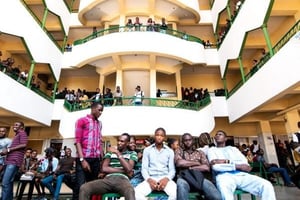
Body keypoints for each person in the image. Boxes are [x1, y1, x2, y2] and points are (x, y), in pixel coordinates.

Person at [207, 130, 276, 200]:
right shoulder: (211, 150)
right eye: (216, 135)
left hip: (241, 175)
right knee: (225, 193)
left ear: (225, 138)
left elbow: (244, 163)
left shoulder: (233, 149)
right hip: (224, 176)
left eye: (220, 134)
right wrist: (237, 166)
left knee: (266, 185)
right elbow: (216, 167)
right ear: (214, 138)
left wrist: (225, 161)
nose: (217, 135)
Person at [79, 133, 137, 200]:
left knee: (130, 190)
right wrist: (124, 171)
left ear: (127, 143)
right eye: (118, 140)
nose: (119, 143)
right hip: (108, 179)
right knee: (84, 188)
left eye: (122, 141)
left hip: (122, 180)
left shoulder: (132, 153)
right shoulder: (110, 152)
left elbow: (129, 168)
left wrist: (118, 154)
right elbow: (104, 168)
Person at [175, 133, 221, 200]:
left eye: (189, 140)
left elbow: (206, 167)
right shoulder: (179, 151)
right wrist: (197, 163)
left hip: (199, 178)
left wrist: (190, 167)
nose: (188, 142)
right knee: (181, 187)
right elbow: (179, 163)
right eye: (185, 140)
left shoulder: (200, 152)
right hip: (184, 178)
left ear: (193, 141)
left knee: (216, 197)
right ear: (183, 142)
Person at [135, 127, 176, 200]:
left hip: (164, 178)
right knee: (136, 192)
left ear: (164, 137)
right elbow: (144, 169)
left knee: (176, 193)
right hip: (151, 178)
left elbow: (172, 170)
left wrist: (166, 179)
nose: (159, 137)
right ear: (154, 136)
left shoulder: (170, 151)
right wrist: (149, 180)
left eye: (161, 135)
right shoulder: (147, 150)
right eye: (157, 135)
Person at [73, 102, 104, 200]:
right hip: (84, 158)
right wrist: (82, 160)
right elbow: (77, 141)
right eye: (99, 110)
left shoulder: (100, 123)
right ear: (93, 109)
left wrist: (101, 159)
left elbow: (100, 141)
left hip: (96, 160)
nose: (101, 112)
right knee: (80, 186)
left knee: (92, 187)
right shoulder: (81, 121)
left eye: (102, 110)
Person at [0, 121, 28, 200]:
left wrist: (8, 150)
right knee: (9, 183)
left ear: (22, 127)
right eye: (14, 124)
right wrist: (5, 152)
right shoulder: (17, 135)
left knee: (5, 183)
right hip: (9, 161)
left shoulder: (22, 133)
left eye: (17, 125)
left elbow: (24, 144)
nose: (14, 126)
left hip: (13, 161)